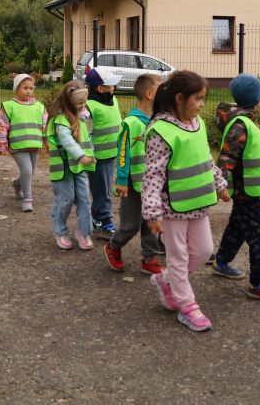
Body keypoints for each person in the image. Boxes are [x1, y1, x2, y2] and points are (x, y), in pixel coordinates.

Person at [142, 71, 229, 332]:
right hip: (172, 209)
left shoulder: (197, 124)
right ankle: (187, 305)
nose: (202, 105)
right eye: (198, 99)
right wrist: (152, 213)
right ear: (180, 98)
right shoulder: (161, 131)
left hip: (198, 204)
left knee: (203, 252)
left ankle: (167, 280)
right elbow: (153, 175)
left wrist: (219, 183)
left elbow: (205, 159)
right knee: (178, 257)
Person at [212, 73, 260, 302]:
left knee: (237, 226)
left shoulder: (245, 121)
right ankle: (258, 282)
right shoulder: (241, 124)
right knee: (257, 233)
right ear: (256, 100)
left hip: (247, 191)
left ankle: (222, 261)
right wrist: (221, 183)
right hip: (245, 192)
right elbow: (227, 156)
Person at [103, 74, 164, 276]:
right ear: (149, 94)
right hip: (132, 183)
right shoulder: (130, 123)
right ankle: (113, 247)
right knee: (131, 225)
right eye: (161, 90)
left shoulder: (159, 121)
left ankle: (150, 258)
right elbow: (123, 153)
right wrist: (121, 180)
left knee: (151, 221)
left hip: (153, 185)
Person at [46, 80, 95, 250]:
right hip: (63, 168)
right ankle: (60, 231)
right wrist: (81, 156)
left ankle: (84, 231)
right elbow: (67, 141)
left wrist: (91, 154)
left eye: (84, 102)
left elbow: (87, 138)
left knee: (84, 199)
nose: (82, 106)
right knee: (65, 199)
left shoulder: (83, 117)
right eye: (79, 103)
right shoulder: (61, 120)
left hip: (79, 167)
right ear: (69, 102)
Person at [0, 73, 46, 212]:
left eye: (31, 88)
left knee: (30, 172)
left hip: (34, 144)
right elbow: (1, 127)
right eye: (25, 88)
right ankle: (27, 199)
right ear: (16, 89)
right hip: (17, 145)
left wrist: (47, 141)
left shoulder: (39, 107)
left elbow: (45, 126)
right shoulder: (9, 106)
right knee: (27, 170)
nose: (28, 91)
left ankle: (17, 184)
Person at [84, 67, 122, 239]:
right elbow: (86, 133)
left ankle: (96, 218)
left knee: (104, 189)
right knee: (102, 191)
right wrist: (89, 154)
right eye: (111, 84)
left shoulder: (114, 101)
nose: (114, 87)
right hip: (97, 158)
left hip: (112, 155)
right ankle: (105, 221)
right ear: (100, 88)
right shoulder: (89, 107)